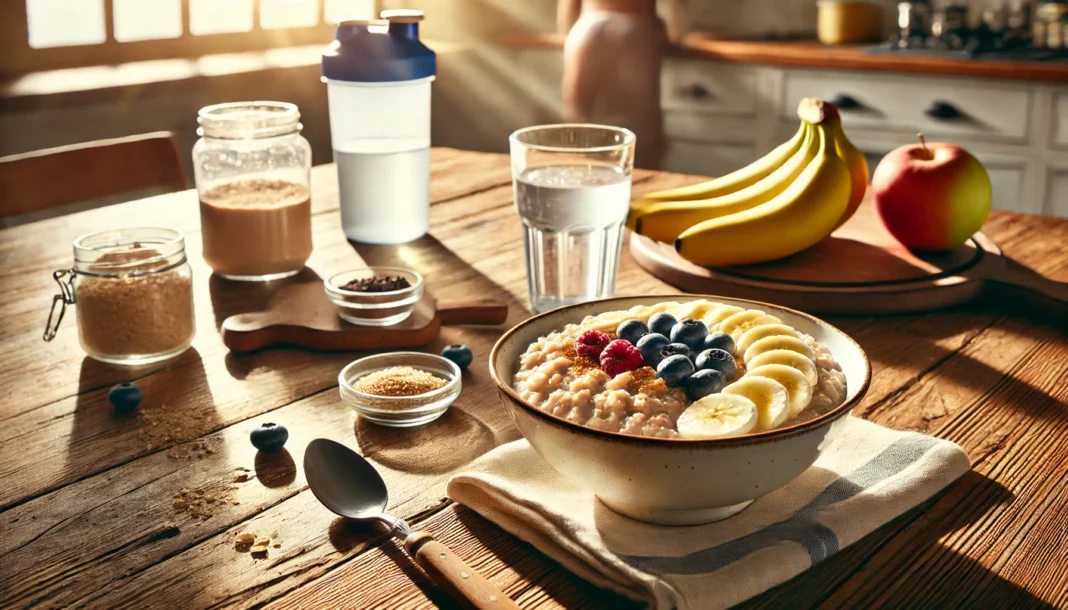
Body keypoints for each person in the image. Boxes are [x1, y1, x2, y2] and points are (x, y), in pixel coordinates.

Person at [559, 0, 678, 169]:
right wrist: (672, 32)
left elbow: (568, 5)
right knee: (642, 138)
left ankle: (577, 189)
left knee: (579, 128)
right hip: (634, 28)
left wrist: (568, 39)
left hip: (585, 28)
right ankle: (643, 193)